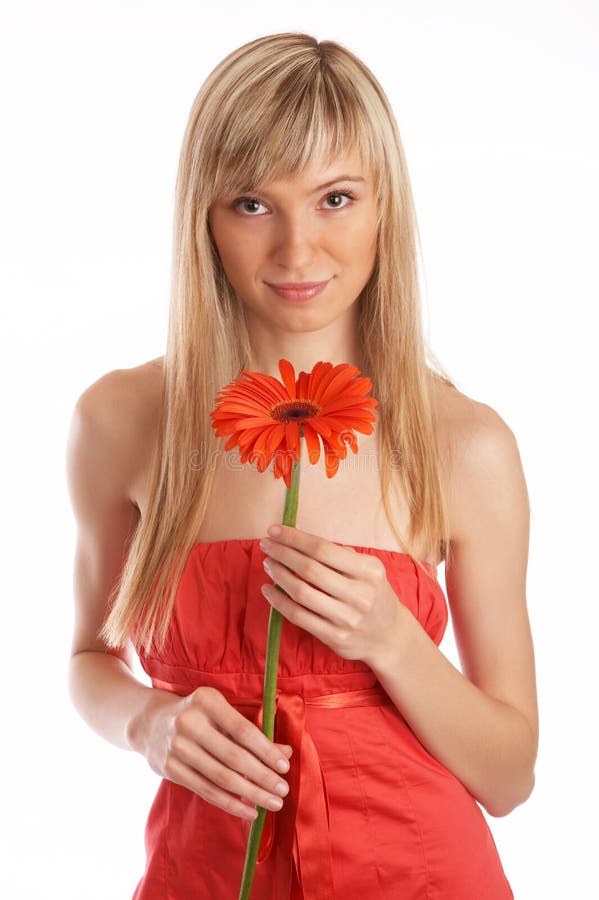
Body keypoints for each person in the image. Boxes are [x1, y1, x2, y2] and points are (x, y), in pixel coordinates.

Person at [66, 32, 538, 899]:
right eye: (251, 204)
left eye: (334, 198)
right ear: (201, 216)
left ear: (383, 205)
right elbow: (85, 660)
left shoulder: (464, 443)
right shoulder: (123, 420)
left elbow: (509, 777)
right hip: (201, 876)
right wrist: (148, 723)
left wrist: (392, 640)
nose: (295, 251)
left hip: (422, 877)